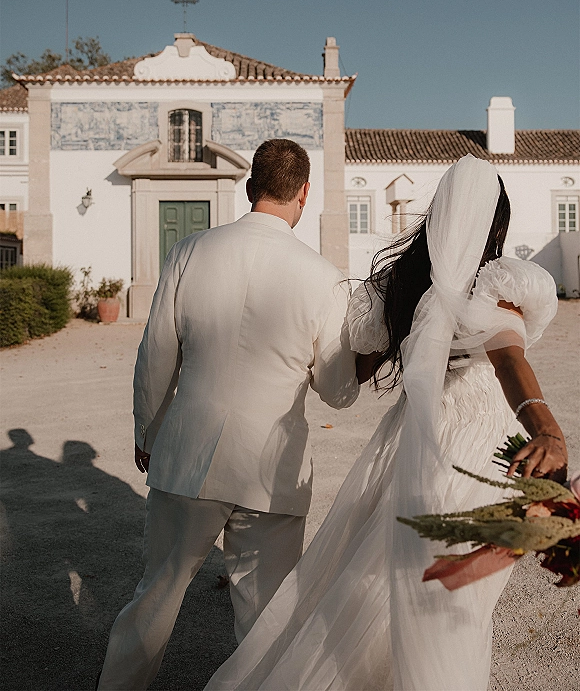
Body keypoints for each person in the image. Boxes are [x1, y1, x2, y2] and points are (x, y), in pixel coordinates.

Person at [205, 153, 568, 691]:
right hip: (483, 440)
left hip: (412, 436)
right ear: (497, 220)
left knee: (393, 568)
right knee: (455, 591)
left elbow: (354, 367)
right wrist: (546, 430)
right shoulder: (500, 281)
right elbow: (510, 359)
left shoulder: (394, 287)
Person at [97, 138, 359, 691]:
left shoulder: (190, 251)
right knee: (265, 617)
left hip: (188, 452)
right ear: (304, 193)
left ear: (249, 186)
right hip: (272, 468)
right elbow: (337, 390)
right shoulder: (323, 275)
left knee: (156, 596)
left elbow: (155, 356)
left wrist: (148, 429)